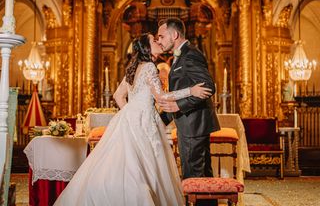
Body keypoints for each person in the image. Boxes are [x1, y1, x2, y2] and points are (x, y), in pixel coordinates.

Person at [54, 33, 212, 206]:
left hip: (129, 119)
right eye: (154, 40)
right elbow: (161, 97)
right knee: (143, 167)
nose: (158, 41)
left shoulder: (134, 67)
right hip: (144, 123)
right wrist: (191, 91)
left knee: (128, 165)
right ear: (146, 47)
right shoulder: (150, 67)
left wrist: (130, 112)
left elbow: (117, 96)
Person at [157, 18, 220, 180]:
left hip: (194, 125)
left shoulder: (190, 54)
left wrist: (179, 105)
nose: (159, 41)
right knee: (203, 177)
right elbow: (181, 92)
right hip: (192, 125)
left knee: (194, 177)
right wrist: (160, 119)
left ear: (175, 35)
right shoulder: (182, 54)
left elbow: (208, 87)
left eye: (162, 36)